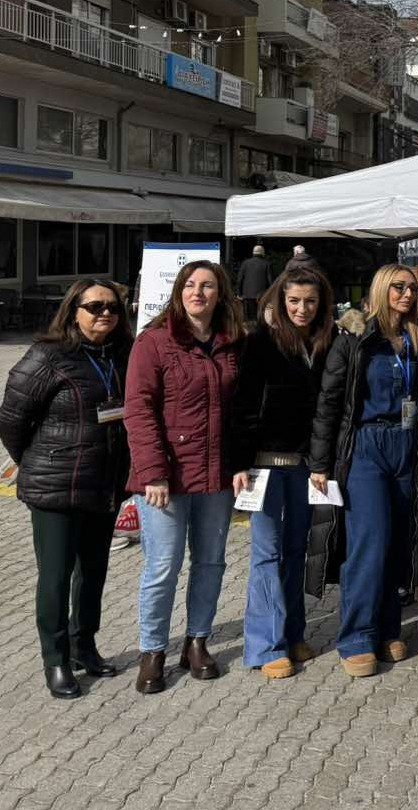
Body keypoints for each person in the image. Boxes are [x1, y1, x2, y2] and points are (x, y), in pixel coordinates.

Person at [0, 280, 132, 699]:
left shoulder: (122, 355)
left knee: (93, 572)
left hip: (104, 482)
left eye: (112, 307)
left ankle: (84, 646)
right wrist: (36, 459)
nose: (104, 314)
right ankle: (55, 660)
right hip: (56, 487)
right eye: (94, 306)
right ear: (73, 310)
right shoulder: (47, 355)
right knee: (55, 577)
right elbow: (11, 420)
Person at [125, 261, 244, 694]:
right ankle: (153, 649)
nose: (199, 292)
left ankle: (197, 641)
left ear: (220, 294)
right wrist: (153, 473)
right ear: (178, 292)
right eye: (191, 285)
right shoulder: (154, 343)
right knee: (163, 565)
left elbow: (239, 414)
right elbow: (138, 410)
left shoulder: (232, 344)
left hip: (216, 475)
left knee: (211, 561)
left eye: (208, 285)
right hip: (165, 479)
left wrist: (239, 465)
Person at [309, 264, 418, 678]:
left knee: (398, 543)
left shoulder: (416, 337)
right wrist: (320, 463)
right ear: (380, 289)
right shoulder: (355, 339)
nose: (407, 294)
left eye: (412, 288)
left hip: (407, 443)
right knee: (368, 544)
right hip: (366, 447)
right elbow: (329, 403)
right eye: (398, 287)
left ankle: (388, 626)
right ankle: (356, 635)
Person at [230, 267, 335, 680]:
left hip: (307, 467)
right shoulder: (260, 342)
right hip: (265, 467)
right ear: (280, 300)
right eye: (294, 301)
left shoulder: (327, 341)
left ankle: (293, 633)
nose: (302, 309)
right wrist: (239, 462)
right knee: (267, 554)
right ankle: (264, 645)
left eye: (310, 301)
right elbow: (243, 404)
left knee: (297, 551)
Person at [236, 245, 274, 322]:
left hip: (247, 294)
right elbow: (270, 280)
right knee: (261, 317)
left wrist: (239, 293)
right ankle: (260, 331)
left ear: (253, 252)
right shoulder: (267, 264)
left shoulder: (245, 263)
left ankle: (251, 331)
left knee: (249, 317)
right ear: (263, 253)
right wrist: (271, 294)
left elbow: (240, 279)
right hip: (262, 295)